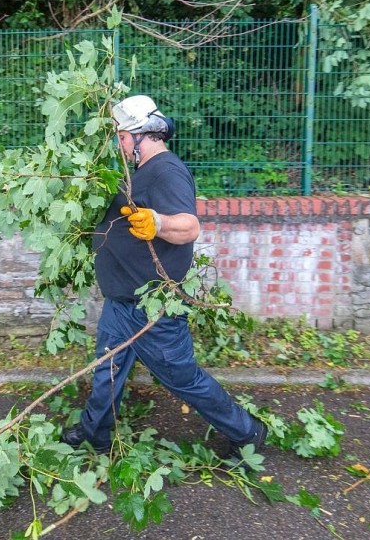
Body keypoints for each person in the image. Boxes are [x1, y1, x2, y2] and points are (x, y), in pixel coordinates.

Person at [60, 94, 267, 460]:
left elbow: (189, 227)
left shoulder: (166, 170)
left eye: (123, 137)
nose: (119, 144)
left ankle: (247, 432)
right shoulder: (142, 172)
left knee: (182, 378)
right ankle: (97, 434)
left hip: (152, 307)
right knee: (107, 370)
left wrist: (159, 222)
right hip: (122, 301)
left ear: (142, 135)